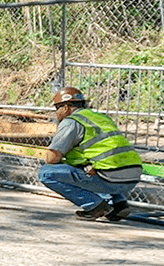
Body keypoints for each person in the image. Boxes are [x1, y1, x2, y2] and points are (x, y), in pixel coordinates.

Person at [37, 86, 143, 221]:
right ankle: (118, 204)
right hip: (132, 177)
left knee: (46, 173)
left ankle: (95, 206)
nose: (57, 113)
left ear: (65, 108)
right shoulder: (101, 118)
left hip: (109, 178)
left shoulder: (71, 122)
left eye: (56, 109)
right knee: (89, 170)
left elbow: (52, 158)